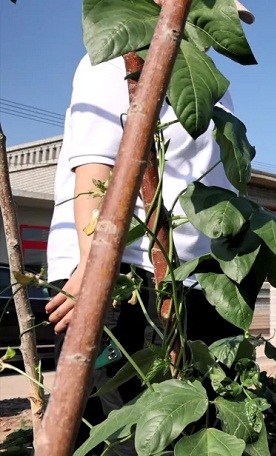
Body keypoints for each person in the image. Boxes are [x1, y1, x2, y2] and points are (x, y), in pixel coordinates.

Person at [45, 3, 255, 452]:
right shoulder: (121, 54)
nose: (227, 28)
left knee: (175, 427)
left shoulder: (206, 76)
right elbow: (94, 170)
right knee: (114, 432)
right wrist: (92, 273)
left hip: (188, 277)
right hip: (124, 273)